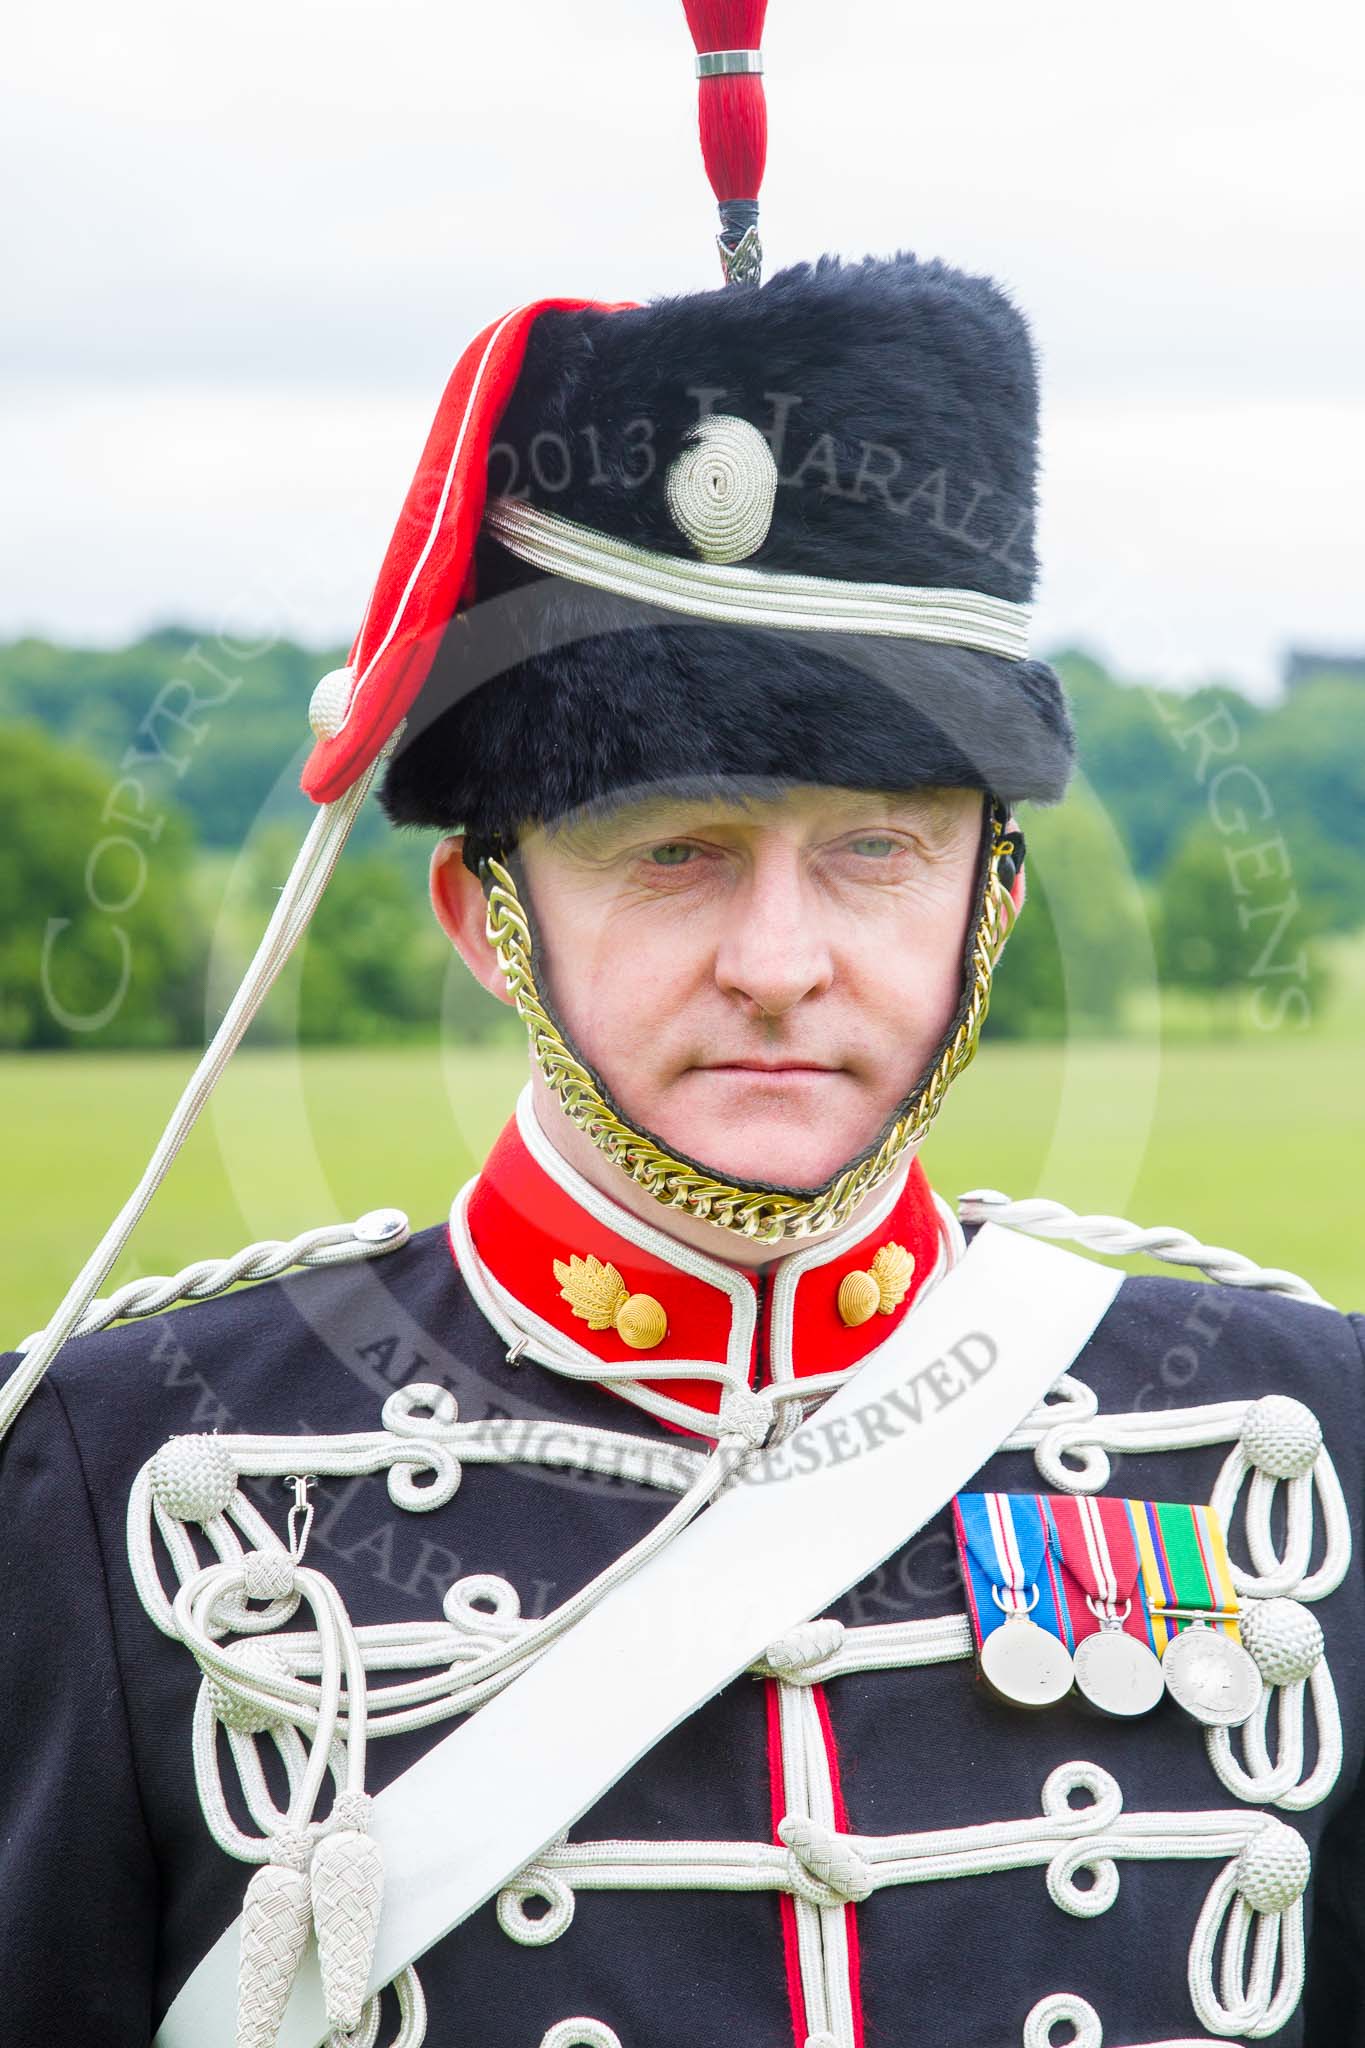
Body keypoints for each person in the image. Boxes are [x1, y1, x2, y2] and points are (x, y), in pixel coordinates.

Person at [3, 18, 1362, 2048]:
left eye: (877, 854)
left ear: (990, 901)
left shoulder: (1291, 1437)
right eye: (670, 854)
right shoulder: (127, 1474)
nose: (779, 955)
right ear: (482, 913)